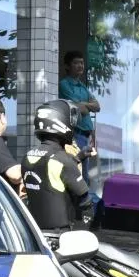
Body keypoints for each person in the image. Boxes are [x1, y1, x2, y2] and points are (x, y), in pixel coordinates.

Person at [21, 99, 94, 232]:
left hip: (35, 234)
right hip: (61, 236)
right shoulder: (62, 159)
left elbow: (51, 174)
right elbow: (86, 203)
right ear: (61, 123)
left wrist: (79, 157)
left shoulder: (27, 157)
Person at [58, 51, 99, 183]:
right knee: (79, 173)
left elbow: (97, 106)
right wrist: (86, 106)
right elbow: (77, 108)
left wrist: (84, 105)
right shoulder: (64, 84)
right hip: (75, 135)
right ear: (67, 66)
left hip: (87, 135)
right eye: (76, 63)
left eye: (81, 62)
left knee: (86, 175)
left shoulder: (82, 86)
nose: (80, 65)